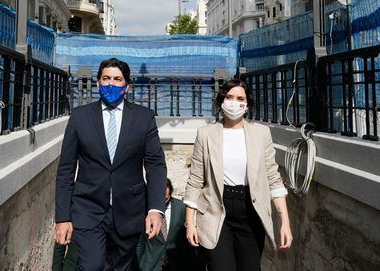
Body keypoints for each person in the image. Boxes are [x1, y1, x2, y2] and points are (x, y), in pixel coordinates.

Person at [54, 57, 168, 271]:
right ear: (97, 83)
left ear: (127, 86)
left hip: (129, 210)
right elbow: (66, 169)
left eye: (117, 79)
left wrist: (155, 209)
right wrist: (62, 218)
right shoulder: (80, 117)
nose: (111, 84)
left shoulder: (144, 118)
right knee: (91, 265)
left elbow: (155, 165)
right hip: (88, 209)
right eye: (106, 78)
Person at [183, 78, 292, 271]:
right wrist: (189, 222)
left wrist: (285, 222)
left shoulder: (261, 133)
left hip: (250, 210)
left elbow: (273, 179)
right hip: (216, 210)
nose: (234, 102)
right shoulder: (205, 134)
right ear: (221, 100)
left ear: (247, 103)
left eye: (240, 98)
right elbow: (195, 180)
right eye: (229, 97)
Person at [135, 179, 199, 271]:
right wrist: (139, 265)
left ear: (170, 194)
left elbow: (185, 240)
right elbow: (140, 242)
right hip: (150, 265)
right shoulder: (145, 210)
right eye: (159, 199)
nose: (162, 203)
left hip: (175, 263)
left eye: (165, 199)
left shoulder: (181, 208)